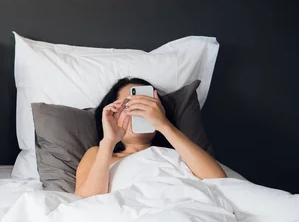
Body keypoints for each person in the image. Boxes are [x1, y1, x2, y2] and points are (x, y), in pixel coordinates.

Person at [75, 78, 226, 198]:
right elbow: (86, 201)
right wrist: (109, 142)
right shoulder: (97, 153)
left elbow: (219, 181)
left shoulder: (180, 152)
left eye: (148, 104)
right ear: (113, 113)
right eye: (130, 105)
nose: (140, 111)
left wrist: (164, 125)